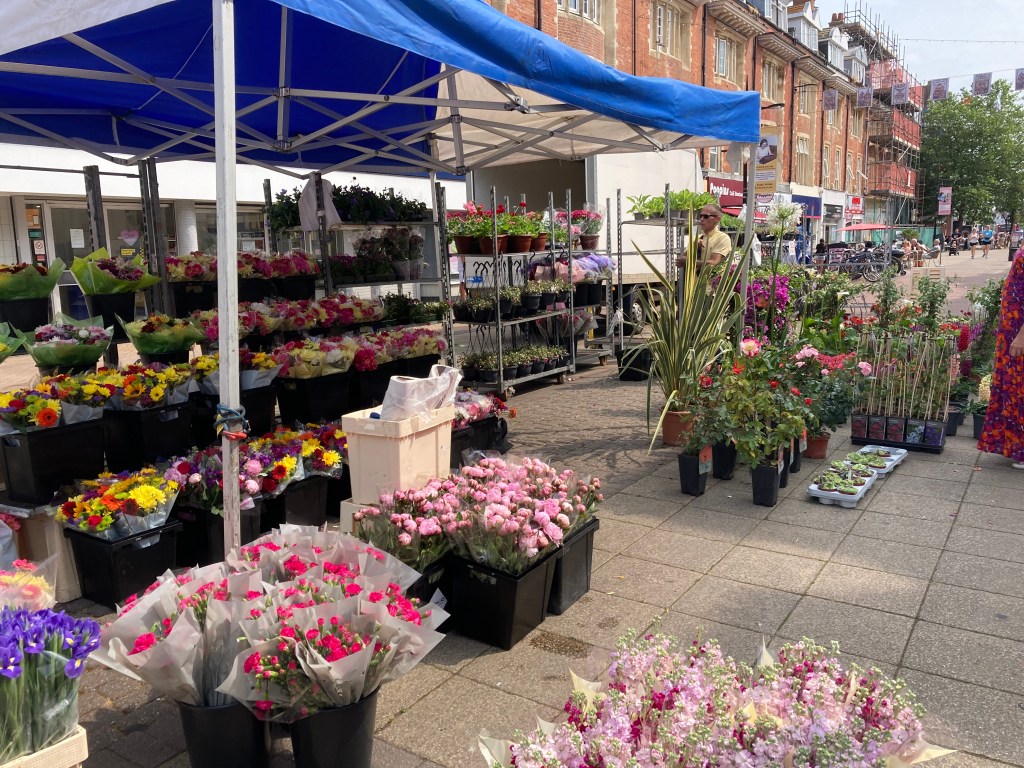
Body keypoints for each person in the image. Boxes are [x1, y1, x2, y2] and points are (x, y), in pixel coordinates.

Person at [978, 247, 1024, 469]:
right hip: (1012, 329)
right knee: (1012, 389)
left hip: (1019, 331)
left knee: (1019, 390)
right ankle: (1015, 446)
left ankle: (1022, 449)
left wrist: (1021, 336)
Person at [675, 204, 731, 271]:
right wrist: (694, 247)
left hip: (712, 281)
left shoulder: (722, 238)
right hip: (695, 280)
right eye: (700, 216)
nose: (701, 219)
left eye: (705, 216)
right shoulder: (697, 238)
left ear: (717, 219)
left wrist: (689, 261)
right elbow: (680, 262)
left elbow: (713, 263)